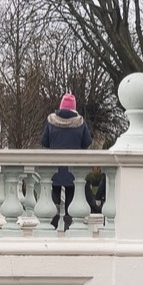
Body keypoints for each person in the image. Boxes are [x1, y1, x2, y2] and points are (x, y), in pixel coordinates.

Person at [40, 93, 93, 229]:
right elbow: (87, 142)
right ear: (74, 108)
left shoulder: (51, 121)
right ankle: (69, 225)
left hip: (55, 166)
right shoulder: (80, 122)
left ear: (61, 106)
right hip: (72, 167)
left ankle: (52, 223)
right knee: (71, 195)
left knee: (55, 195)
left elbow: (44, 141)